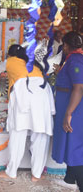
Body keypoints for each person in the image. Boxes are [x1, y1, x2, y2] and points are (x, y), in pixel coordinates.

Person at [0, 44, 55, 181]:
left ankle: (11, 172)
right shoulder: (32, 62)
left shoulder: (9, 61)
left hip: (24, 94)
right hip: (42, 94)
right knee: (40, 136)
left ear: (10, 55)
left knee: (18, 134)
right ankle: (36, 174)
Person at [52, 31, 83, 190]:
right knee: (69, 142)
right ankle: (70, 180)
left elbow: (79, 88)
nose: (63, 47)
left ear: (67, 45)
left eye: (64, 45)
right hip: (68, 105)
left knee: (75, 146)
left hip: (74, 110)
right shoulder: (73, 59)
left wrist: (68, 114)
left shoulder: (76, 61)